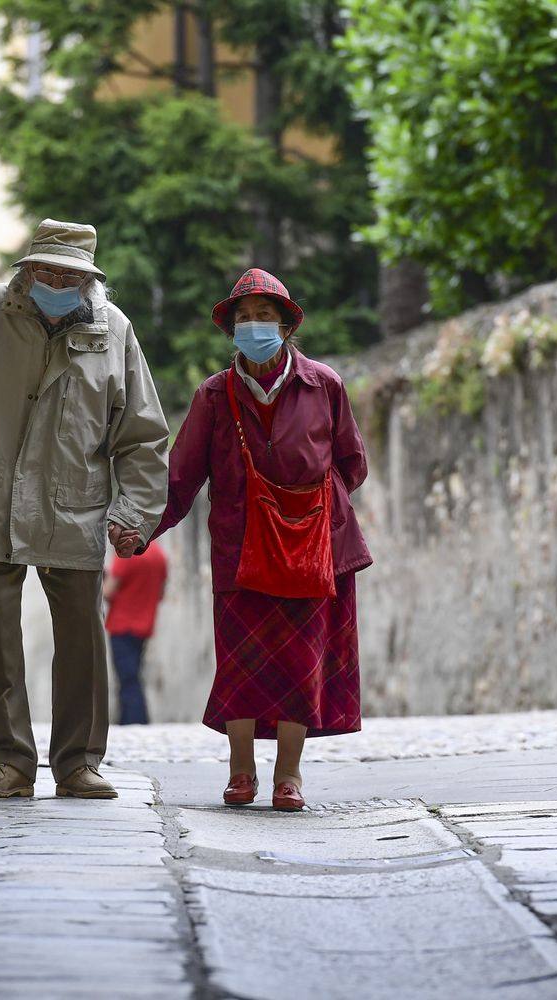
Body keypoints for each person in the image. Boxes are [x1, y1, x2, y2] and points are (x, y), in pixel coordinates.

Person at [0, 218, 169, 799]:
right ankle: (10, 762)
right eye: (47, 269)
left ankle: (78, 763)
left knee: (81, 637)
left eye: (70, 273)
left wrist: (134, 512)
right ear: (27, 270)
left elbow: (141, 435)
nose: (57, 279)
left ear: (88, 281)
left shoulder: (114, 330)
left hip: (74, 507)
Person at [148, 268, 372, 812]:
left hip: (314, 551)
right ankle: (241, 770)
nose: (254, 327)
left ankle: (289, 776)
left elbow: (352, 463)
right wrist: (142, 526)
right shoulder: (213, 395)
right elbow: (182, 475)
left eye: (264, 318)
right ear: (231, 330)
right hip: (239, 546)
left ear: (286, 327)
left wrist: (307, 512)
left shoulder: (325, 385)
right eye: (244, 319)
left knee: (302, 661)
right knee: (240, 660)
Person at [103, 542, 168, 725]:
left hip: (122, 624)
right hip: (145, 625)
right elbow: (161, 592)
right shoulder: (159, 554)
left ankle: (134, 722)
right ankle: (131, 720)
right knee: (133, 675)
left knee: (127, 679)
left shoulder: (127, 554)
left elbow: (108, 591)